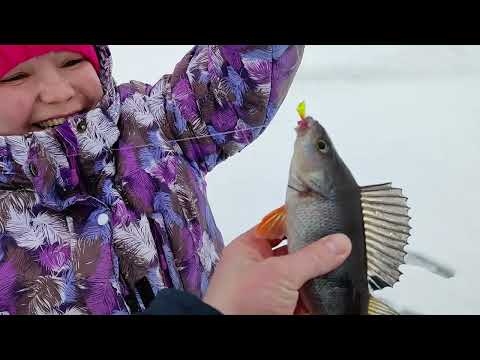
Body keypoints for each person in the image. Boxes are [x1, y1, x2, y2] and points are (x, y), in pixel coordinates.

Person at [0, 44, 348, 315]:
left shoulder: (151, 120)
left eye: (72, 62)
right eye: (15, 77)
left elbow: (241, 75)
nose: (58, 92)